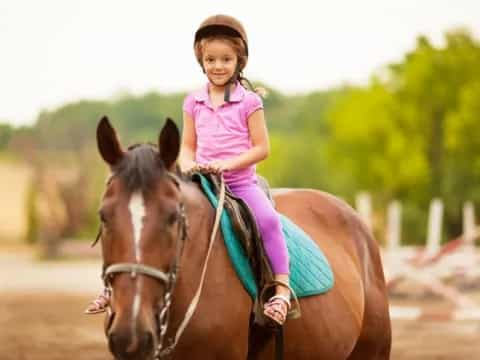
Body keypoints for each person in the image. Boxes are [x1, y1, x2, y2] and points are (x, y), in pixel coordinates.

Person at [179, 14, 291, 326]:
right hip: (202, 183)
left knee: (268, 220)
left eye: (226, 59)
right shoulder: (193, 102)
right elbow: (187, 145)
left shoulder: (248, 101)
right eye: (211, 59)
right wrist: (187, 164)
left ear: (238, 61)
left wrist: (227, 164)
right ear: (201, 60)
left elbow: (261, 148)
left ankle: (281, 289)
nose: (218, 66)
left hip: (239, 184)